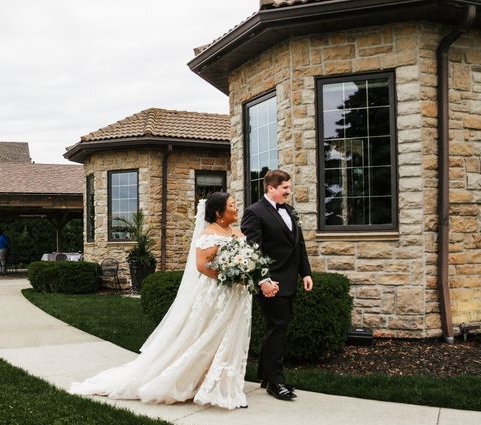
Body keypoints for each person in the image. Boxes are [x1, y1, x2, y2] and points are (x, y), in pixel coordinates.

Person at [69, 192, 252, 409]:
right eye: (232, 205)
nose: (236, 207)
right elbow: (202, 266)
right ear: (218, 212)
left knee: (230, 336)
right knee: (208, 335)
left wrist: (245, 273)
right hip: (216, 294)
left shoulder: (237, 232)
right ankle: (194, 380)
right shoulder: (208, 235)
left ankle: (220, 381)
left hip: (237, 295)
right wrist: (227, 277)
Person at [240, 169, 313, 401]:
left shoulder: (290, 211)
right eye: (285, 189)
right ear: (271, 188)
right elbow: (253, 251)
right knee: (278, 328)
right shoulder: (254, 212)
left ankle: (265, 375)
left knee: (277, 327)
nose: (289, 192)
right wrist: (263, 280)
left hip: (291, 278)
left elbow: (298, 244)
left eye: (289, 188)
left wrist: (306, 272)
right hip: (271, 281)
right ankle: (275, 382)